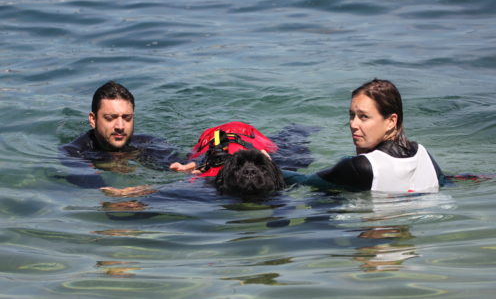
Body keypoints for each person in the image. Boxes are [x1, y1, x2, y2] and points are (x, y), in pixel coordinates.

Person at [285, 79, 444, 193]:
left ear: (390, 121)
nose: (353, 124)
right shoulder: (422, 153)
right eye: (352, 115)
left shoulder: (361, 167)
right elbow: (443, 182)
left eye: (364, 117)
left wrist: (267, 164)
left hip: (374, 235)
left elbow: (304, 182)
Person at [59, 81, 178, 190]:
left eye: (127, 118)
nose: (120, 126)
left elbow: (173, 165)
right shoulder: (73, 151)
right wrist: (110, 191)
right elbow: (81, 175)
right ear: (93, 119)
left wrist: (187, 167)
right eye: (110, 118)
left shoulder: (150, 143)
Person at [170, 121, 285, 197]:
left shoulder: (274, 168)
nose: (250, 171)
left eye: (260, 166)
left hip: (249, 134)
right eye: (238, 167)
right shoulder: (212, 178)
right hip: (213, 136)